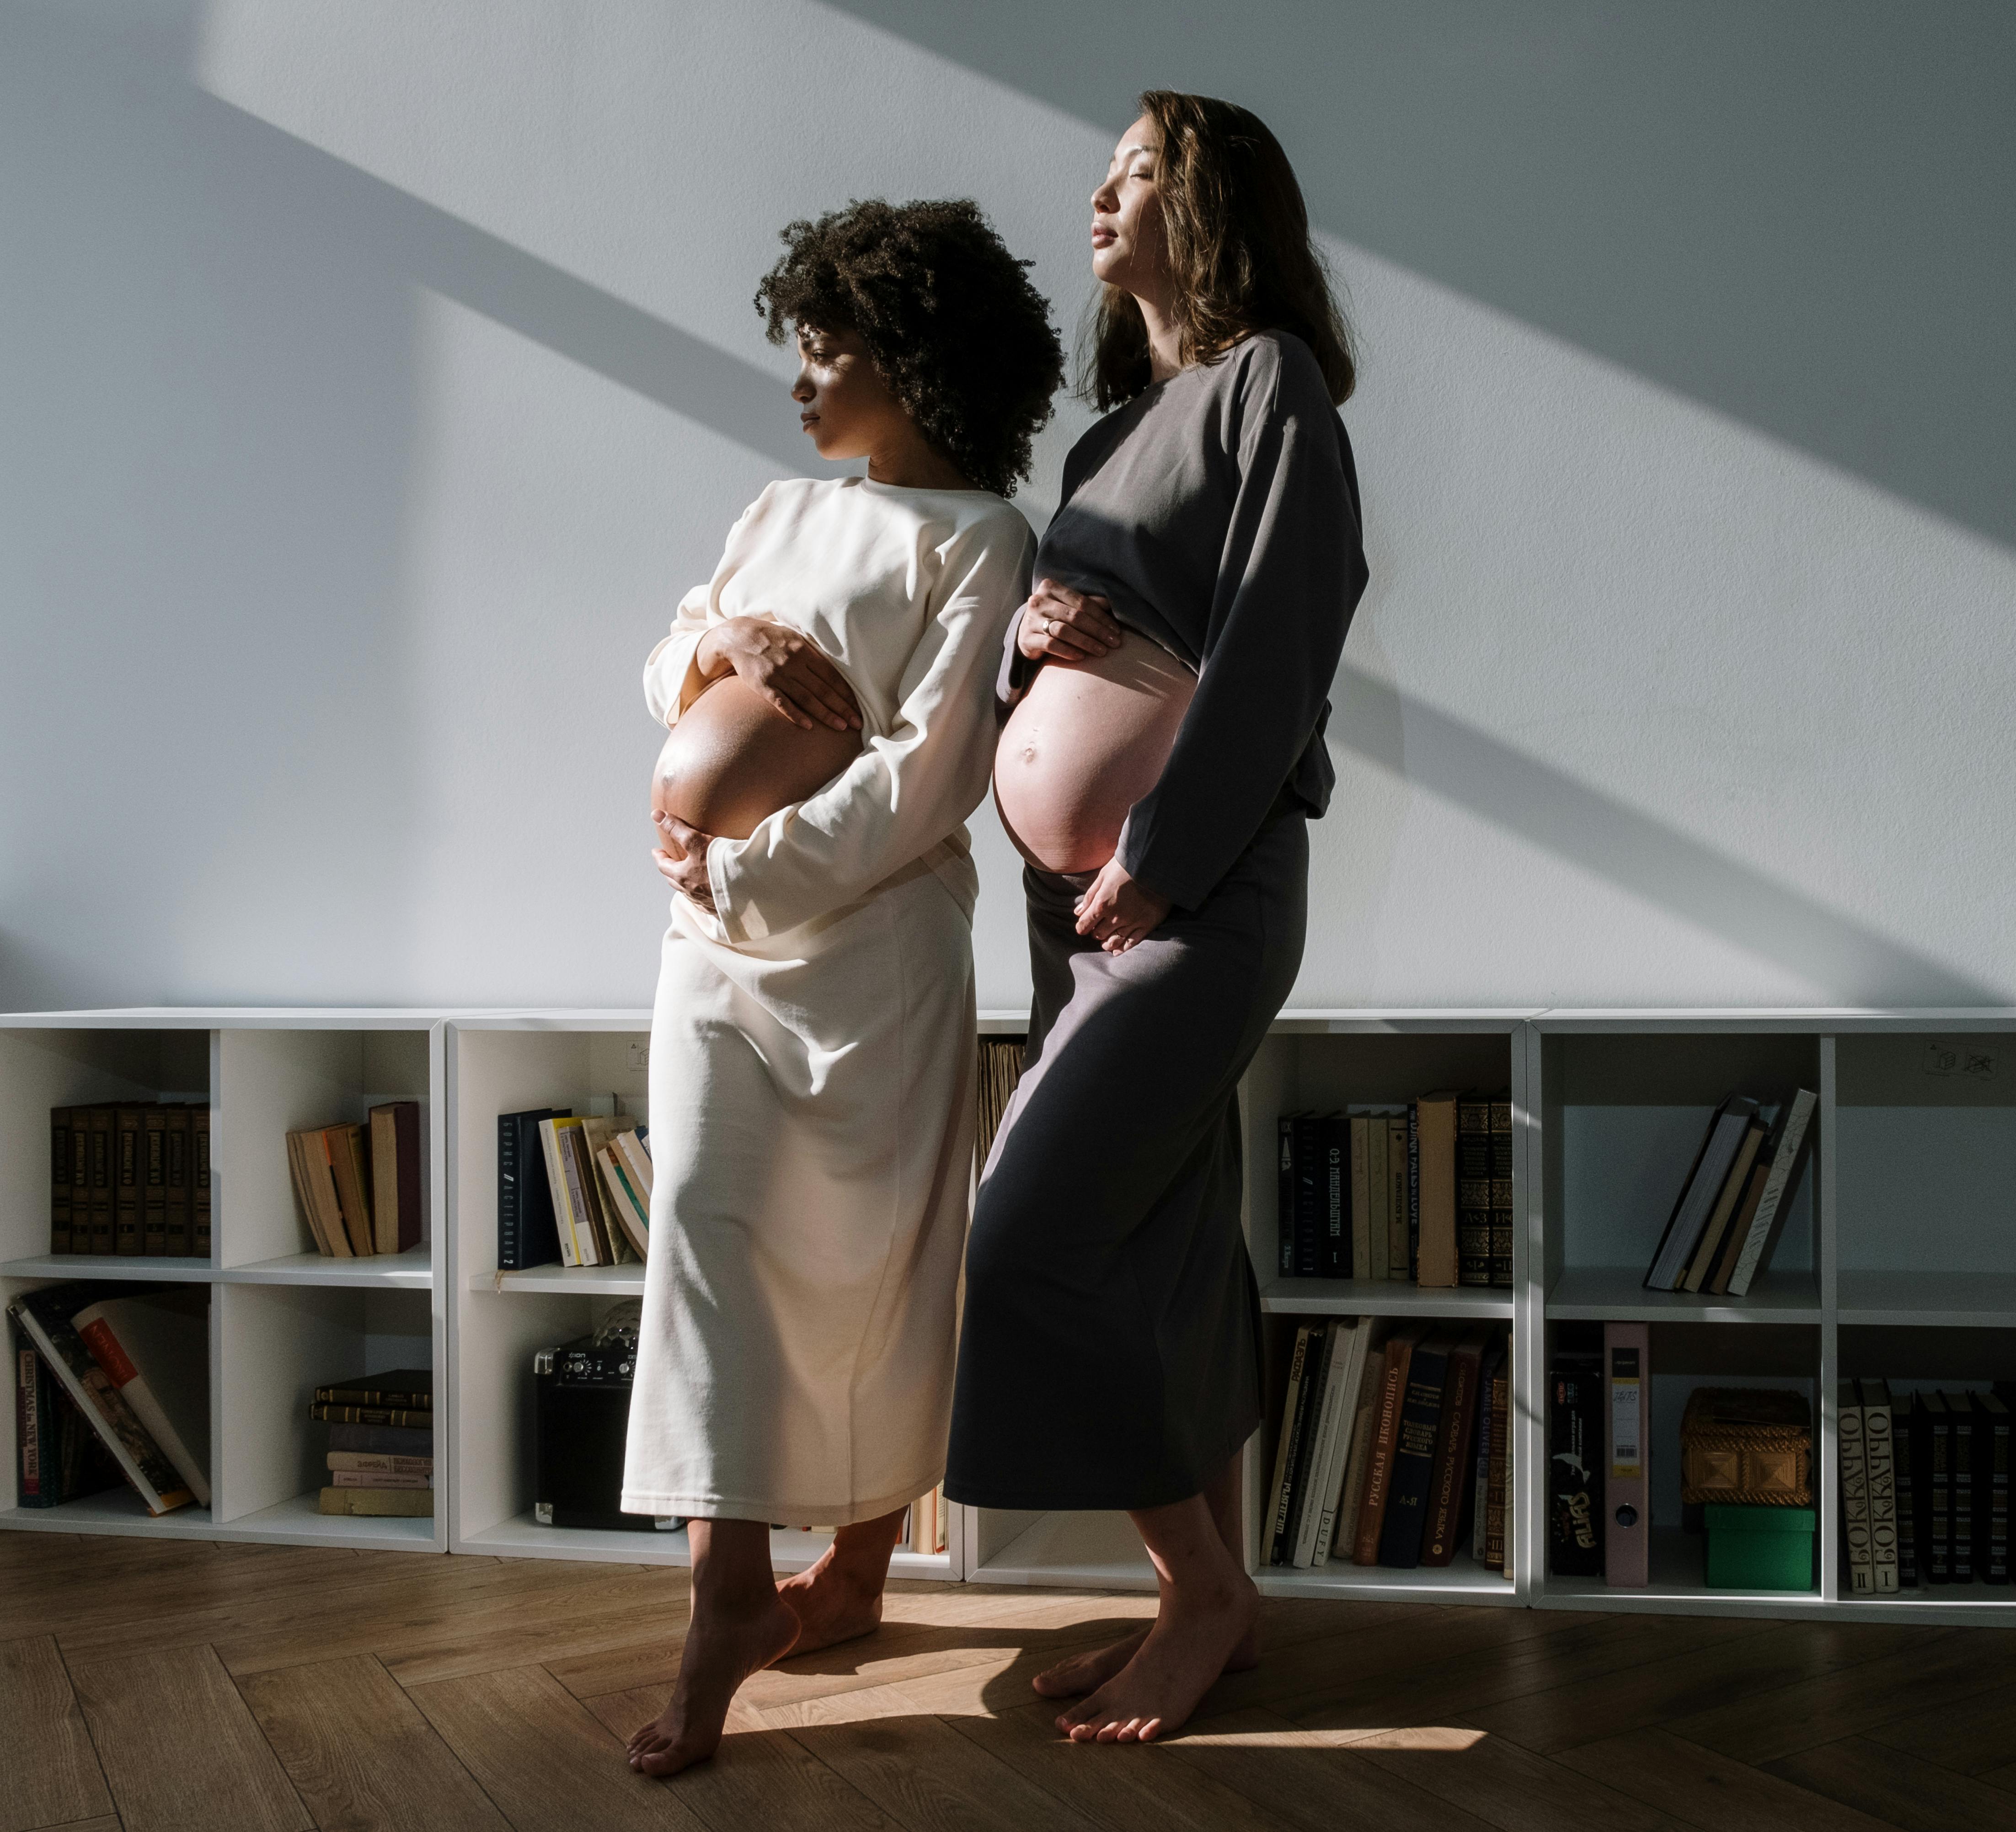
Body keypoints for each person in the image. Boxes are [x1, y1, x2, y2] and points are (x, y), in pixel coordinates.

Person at [620, 198, 1062, 1777]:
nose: (804, 382)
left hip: (869, 956)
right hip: (711, 960)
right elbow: (669, 657)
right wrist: (719, 639)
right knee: (701, 1231)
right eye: (800, 348)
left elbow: (931, 777)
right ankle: (722, 1597)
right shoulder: (772, 508)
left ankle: (858, 1575)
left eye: (831, 350)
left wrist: (738, 862)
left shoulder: (982, 539)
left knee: (873, 1262)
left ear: (918, 360)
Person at [945, 91, 1368, 1745]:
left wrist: (1172, 852)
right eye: (1103, 174)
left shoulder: (1272, 390)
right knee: (1165, 1248)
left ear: (1208, 203)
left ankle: (1196, 1594)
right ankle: (1223, 1597)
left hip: (1194, 897)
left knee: (1031, 1228)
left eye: (1134, 172)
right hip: (1087, 913)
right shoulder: (1108, 439)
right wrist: (1025, 647)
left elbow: (1280, 636)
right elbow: (1068, 676)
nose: (1100, 194)